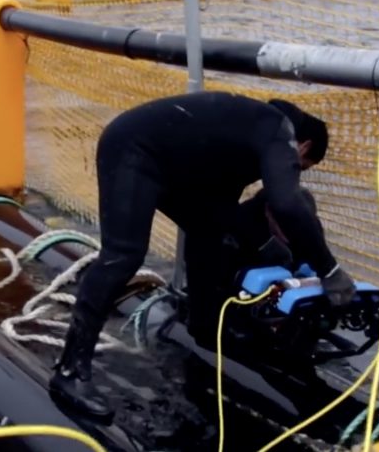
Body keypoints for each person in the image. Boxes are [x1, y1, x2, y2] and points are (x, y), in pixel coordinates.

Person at [48, 91, 357, 421]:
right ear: (304, 147)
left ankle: (205, 326)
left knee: (209, 230)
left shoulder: (245, 138)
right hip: (134, 149)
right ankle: (70, 372)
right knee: (123, 255)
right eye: (300, 167)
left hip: (169, 160)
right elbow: (286, 203)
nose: (293, 171)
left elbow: (221, 211)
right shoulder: (278, 132)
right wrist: (330, 270)